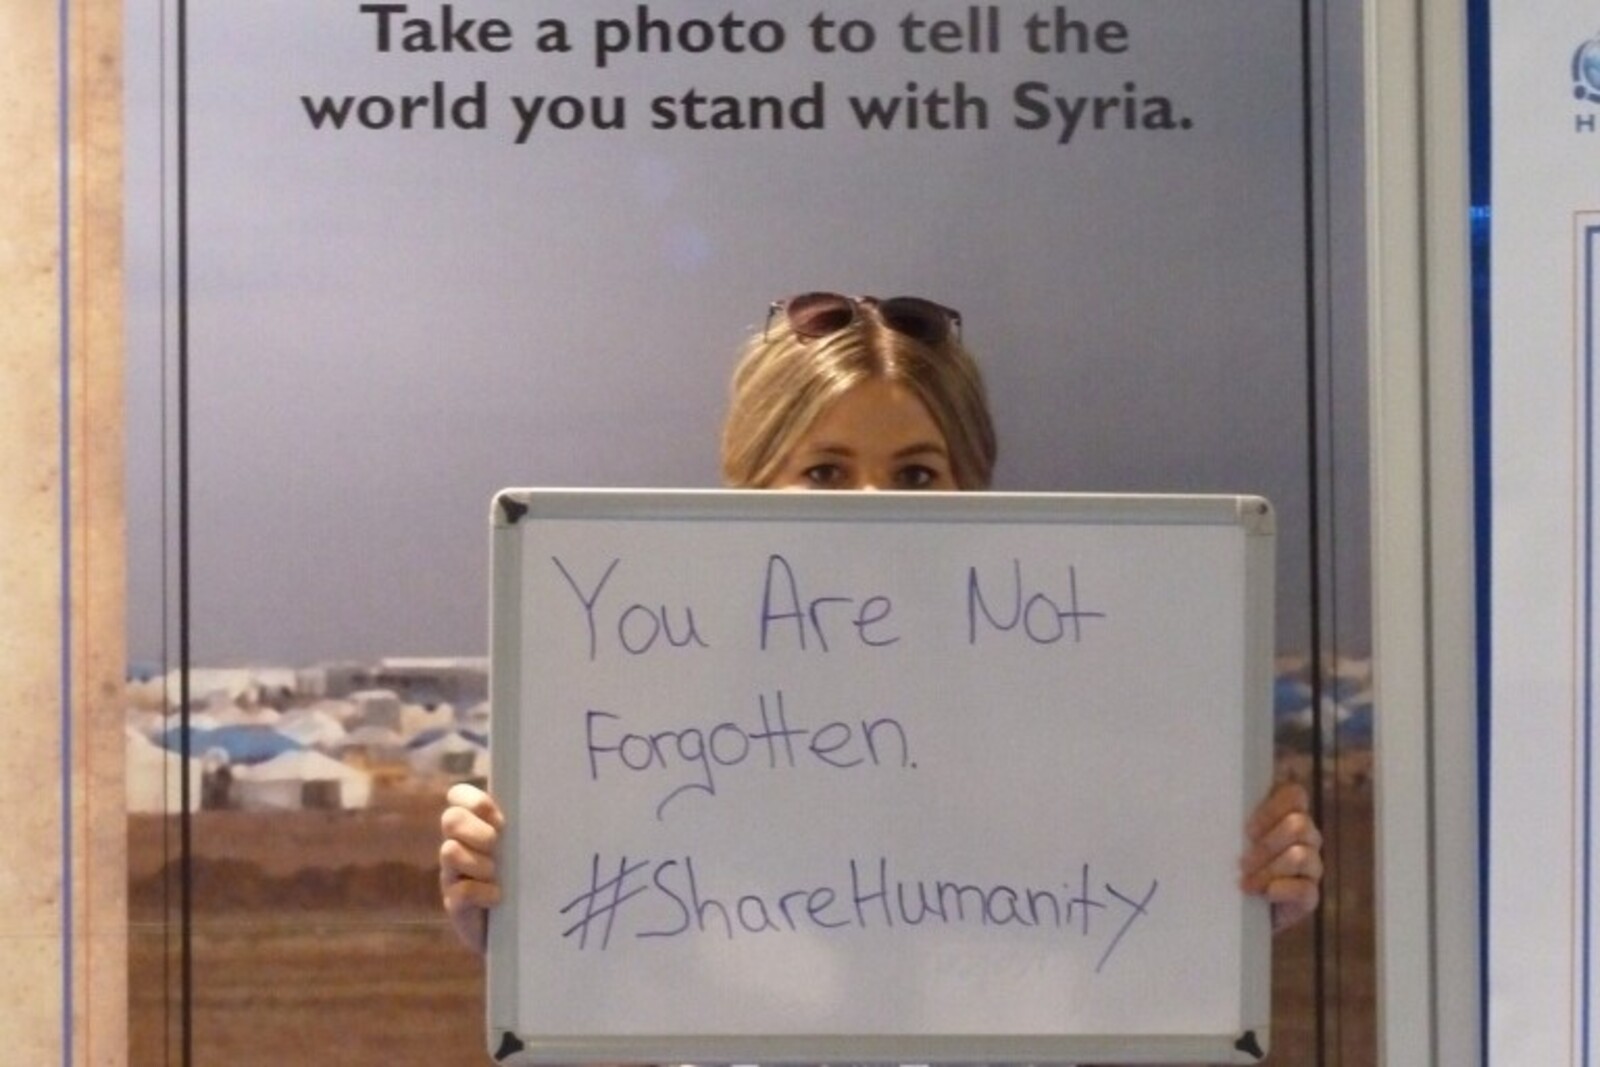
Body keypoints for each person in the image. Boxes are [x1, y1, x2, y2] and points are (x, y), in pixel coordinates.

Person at [439, 291, 1324, 956]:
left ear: (972, 485)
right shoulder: (636, 721)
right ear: (749, 487)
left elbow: (1128, 953)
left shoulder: (1082, 716)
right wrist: (512, 917)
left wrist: (1240, 907)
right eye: (825, 472)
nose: (871, 508)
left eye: (915, 474)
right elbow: (613, 964)